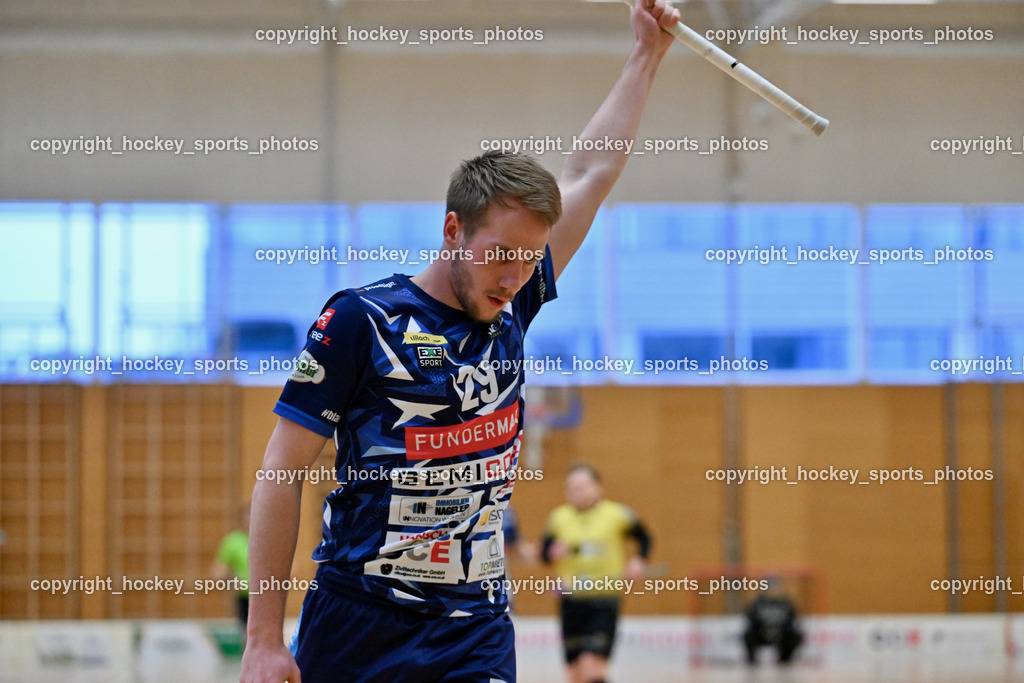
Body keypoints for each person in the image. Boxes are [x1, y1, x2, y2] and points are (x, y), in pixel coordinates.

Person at [240, 2, 680, 680]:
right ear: (453, 232)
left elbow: (591, 171)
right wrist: (263, 639)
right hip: (358, 620)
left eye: (531, 258)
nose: (517, 274)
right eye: (501, 252)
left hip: (474, 630)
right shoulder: (361, 321)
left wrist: (646, 54)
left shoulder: (514, 302)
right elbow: (281, 468)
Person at [541, 463, 652, 683]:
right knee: (575, 672)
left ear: (597, 488)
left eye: (581, 487)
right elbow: (544, 554)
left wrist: (639, 560)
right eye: (571, 488)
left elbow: (645, 538)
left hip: (604, 599)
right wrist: (552, 552)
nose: (576, 492)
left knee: (592, 664)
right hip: (571, 601)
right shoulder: (558, 518)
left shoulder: (618, 514)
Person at [742, 578, 804, 665]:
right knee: (748, 635)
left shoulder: (786, 603)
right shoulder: (757, 603)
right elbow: (751, 621)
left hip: (781, 633)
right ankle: (752, 660)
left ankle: (785, 660)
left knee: (794, 636)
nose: (773, 590)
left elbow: (792, 621)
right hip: (761, 633)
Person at [212, 503, 251, 627]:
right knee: (247, 633)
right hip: (245, 596)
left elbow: (292, 569)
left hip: (269, 595)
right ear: (242, 520)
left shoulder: (271, 539)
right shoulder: (232, 542)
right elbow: (218, 573)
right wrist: (233, 581)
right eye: (248, 516)